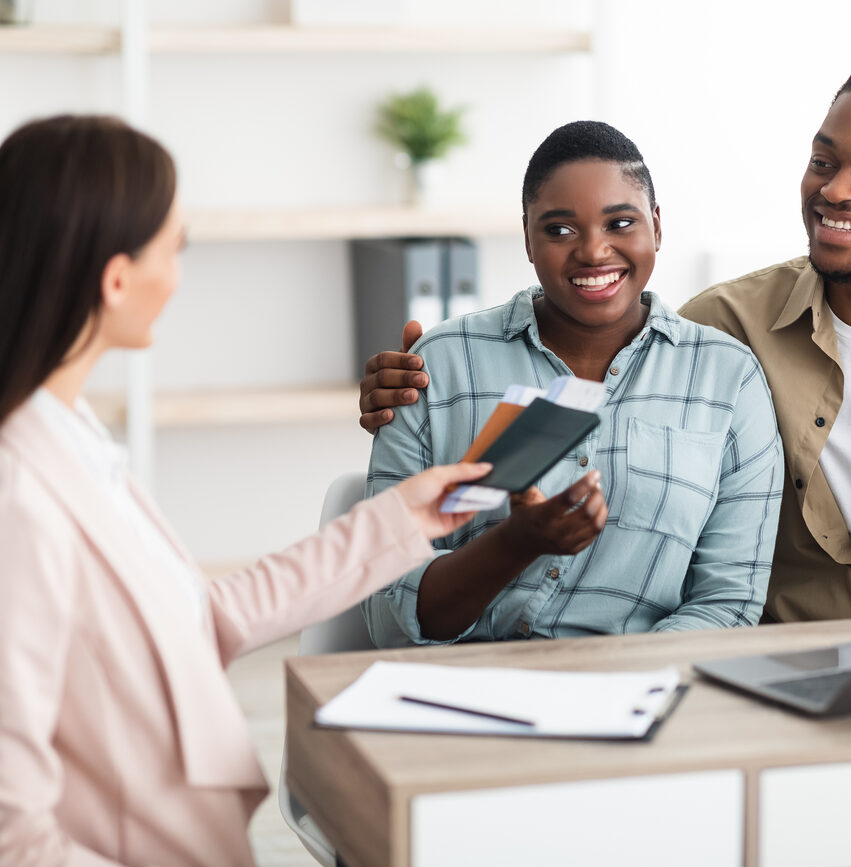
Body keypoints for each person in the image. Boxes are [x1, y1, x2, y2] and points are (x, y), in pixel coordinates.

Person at [359, 61, 851, 624]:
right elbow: (616, 356)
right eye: (823, 161)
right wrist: (402, 390)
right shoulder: (726, 329)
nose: (835, 189)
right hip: (780, 662)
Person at [0, 115, 492, 866]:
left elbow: (203, 619)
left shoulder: (73, 437)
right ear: (117, 278)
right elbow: (16, 834)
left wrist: (407, 512)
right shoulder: (19, 499)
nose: (181, 271)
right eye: (177, 246)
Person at [361, 121, 783, 647]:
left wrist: (615, 680)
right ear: (527, 238)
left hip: (648, 689)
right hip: (467, 689)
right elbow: (389, 610)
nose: (593, 251)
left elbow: (728, 601)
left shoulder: (729, 378)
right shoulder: (439, 366)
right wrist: (513, 545)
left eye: (621, 223)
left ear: (656, 225)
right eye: (560, 230)